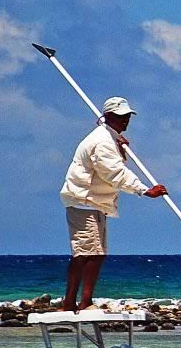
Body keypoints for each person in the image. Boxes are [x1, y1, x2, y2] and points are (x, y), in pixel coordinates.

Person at [59, 97, 167, 312]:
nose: (125, 120)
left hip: (94, 202)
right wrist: (144, 190)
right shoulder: (103, 141)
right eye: (120, 116)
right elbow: (114, 173)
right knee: (88, 253)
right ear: (108, 116)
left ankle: (76, 302)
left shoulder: (110, 138)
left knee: (91, 253)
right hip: (84, 200)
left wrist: (121, 147)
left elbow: (113, 165)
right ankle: (79, 303)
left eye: (127, 116)